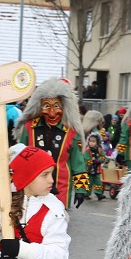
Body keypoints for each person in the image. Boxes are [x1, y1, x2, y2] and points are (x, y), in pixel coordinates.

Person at [15, 78, 85, 209]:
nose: (52, 112)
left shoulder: (71, 132)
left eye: (57, 106)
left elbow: (78, 162)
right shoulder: (29, 128)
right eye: (47, 106)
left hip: (61, 189)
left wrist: (81, 189)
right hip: (32, 188)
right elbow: (20, 156)